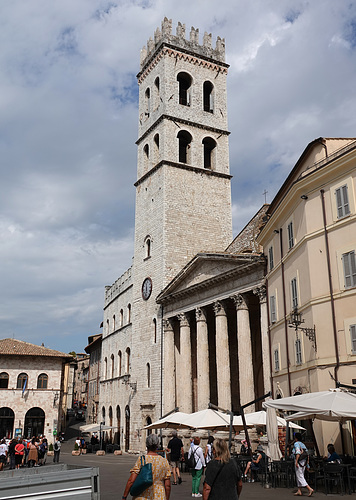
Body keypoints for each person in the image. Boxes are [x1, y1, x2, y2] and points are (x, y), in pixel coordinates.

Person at [122, 433, 171, 500]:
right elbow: (167, 485)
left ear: (147, 445)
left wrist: (124, 496)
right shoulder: (164, 461)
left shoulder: (142, 459)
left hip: (142, 495)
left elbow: (131, 480)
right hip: (159, 496)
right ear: (157, 445)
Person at [292, 433, 314, 497]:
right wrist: (307, 464)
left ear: (296, 438)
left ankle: (309, 488)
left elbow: (298, 452)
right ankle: (299, 490)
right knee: (300, 475)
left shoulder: (296, 444)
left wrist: (296, 461)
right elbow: (307, 454)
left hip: (299, 461)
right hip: (304, 462)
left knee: (300, 476)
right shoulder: (303, 444)